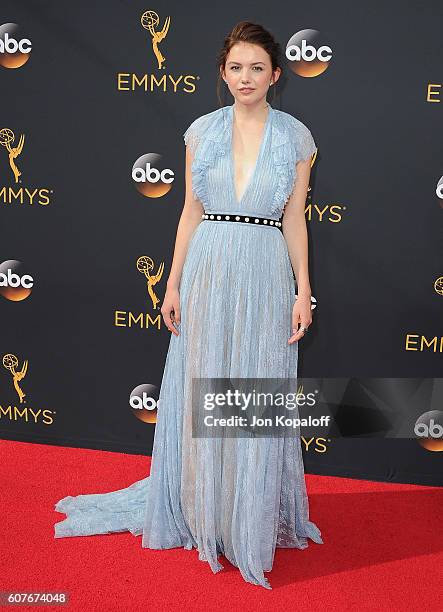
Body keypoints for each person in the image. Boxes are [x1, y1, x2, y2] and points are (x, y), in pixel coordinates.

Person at [54, 21, 323, 590]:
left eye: (256, 68)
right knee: (200, 388)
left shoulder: (297, 138)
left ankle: (243, 518)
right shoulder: (200, 130)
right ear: (222, 73)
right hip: (207, 267)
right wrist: (172, 284)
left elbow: (296, 219)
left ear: (276, 75)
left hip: (263, 269)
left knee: (251, 386)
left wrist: (303, 290)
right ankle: (201, 511)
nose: (245, 78)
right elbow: (189, 214)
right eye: (235, 67)